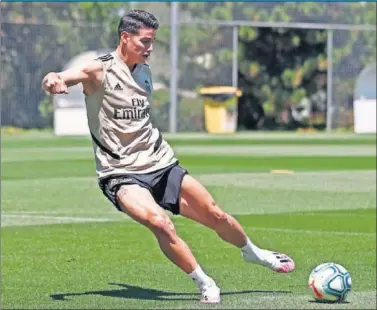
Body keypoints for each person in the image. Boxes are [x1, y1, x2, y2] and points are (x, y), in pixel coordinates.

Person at [42, 9, 295, 304]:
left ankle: (253, 252)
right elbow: (61, 76)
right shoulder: (98, 70)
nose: (150, 48)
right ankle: (205, 282)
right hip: (120, 173)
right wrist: (53, 80)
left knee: (214, 213)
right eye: (145, 41)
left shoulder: (145, 71)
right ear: (125, 38)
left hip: (161, 163)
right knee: (160, 222)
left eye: (152, 42)